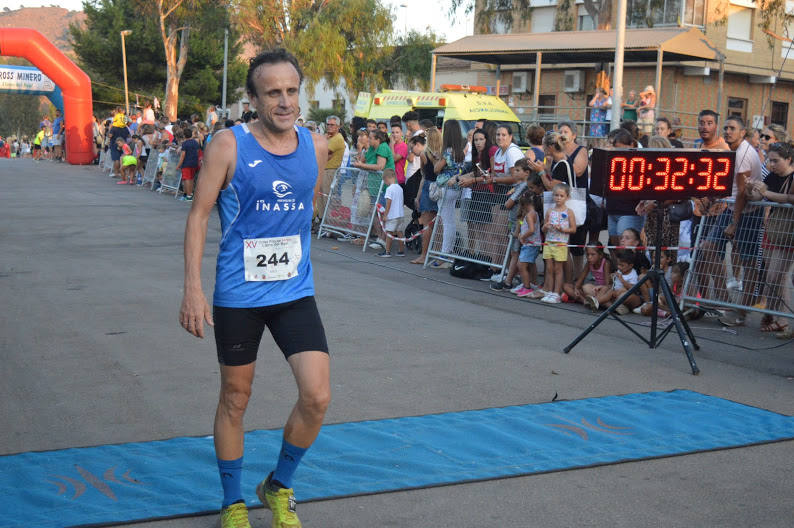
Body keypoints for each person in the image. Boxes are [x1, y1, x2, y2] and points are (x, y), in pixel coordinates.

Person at [179, 49, 330, 528]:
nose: (284, 102)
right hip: (239, 296)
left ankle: (277, 486)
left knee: (317, 396)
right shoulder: (229, 145)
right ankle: (233, 502)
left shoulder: (317, 145)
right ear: (253, 98)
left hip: (294, 293)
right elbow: (199, 214)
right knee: (235, 398)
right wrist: (193, 289)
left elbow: (308, 209)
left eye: (291, 91)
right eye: (273, 93)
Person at [697, 116, 763, 327]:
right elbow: (732, 185)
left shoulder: (743, 153)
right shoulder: (731, 151)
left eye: (732, 128)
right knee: (708, 247)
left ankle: (741, 312)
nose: (727, 131)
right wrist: (713, 197)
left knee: (748, 262)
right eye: (725, 128)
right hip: (732, 205)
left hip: (748, 211)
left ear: (743, 133)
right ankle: (726, 303)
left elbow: (743, 191)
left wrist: (734, 223)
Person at [746, 141, 794, 338]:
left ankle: (781, 317)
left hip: (788, 231)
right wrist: (751, 189)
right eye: (769, 160)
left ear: (789, 159)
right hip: (773, 229)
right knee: (773, 277)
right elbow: (758, 196)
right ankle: (776, 317)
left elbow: (791, 198)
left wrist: (766, 193)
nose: (771, 165)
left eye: (776, 161)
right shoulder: (773, 176)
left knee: (776, 275)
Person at [430, 119, 467, 268]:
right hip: (456, 188)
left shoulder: (447, 151)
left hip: (446, 188)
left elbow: (436, 169)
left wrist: (435, 159)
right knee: (450, 220)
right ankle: (448, 251)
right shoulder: (460, 150)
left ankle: (445, 253)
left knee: (447, 222)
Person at [540, 183, 577, 303]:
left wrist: (562, 229)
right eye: (556, 195)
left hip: (561, 243)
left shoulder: (569, 211)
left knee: (558, 269)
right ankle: (550, 291)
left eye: (561, 195)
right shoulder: (550, 211)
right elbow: (543, 228)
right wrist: (545, 226)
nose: (558, 198)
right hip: (549, 242)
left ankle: (556, 293)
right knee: (549, 268)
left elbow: (573, 229)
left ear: (567, 197)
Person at [410, 127, 442, 264]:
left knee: (427, 224)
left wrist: (417, 197)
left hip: (429, 188)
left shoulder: (424, 154)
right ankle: (438, 253)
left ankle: (424, 255)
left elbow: (424, 176)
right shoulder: (443, 154)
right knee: (440, 223)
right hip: (441, 187)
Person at [512, 190, 543, 297]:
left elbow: (531, 229)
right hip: (530, 244)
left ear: (525, 204)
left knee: (521, 265)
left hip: (530, 244)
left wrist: (522, 236)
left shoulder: (530, 215)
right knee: (524, 265)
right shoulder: (533, 214)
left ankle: (527, 287)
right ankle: (527, 284)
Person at [563, 243, 612, 311]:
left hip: (605, 291)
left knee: (586, 287)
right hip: (595, 291)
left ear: (600, 255)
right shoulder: (589, 263)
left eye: (592, 254)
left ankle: (595, 302)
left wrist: (600, 287)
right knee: (566, 286)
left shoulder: (605, 263)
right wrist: (576, 288)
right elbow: (580, 280)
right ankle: (588, 302)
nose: (589, 257)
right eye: (588, 254)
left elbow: (607, 285)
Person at [316, 115, 345, 224]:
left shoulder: (337, 138)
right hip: (323, 170)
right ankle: (323, 223)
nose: (329, 126)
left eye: (332, 124)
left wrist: (322, 140)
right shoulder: (329, 137)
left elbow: (322, 152)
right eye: (328, 124)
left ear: (338, 126)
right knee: (320, 199)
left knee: (328, 199)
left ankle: (329, 224)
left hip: (330, 171)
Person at [377, 169, 406, 257]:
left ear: (387, 178)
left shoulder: (389, 189)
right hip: (400, 214)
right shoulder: (400, 188)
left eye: (385, 180)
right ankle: (401, 250)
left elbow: (388, 202)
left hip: (392, 215)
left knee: (389, 232)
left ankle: (387, 251)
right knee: (400, 232)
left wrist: (385, 215)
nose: (385, 182)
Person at [177, 128, 201, 201]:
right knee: (191, 179)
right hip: (194, 163)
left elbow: (183, 155)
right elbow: (197, 151)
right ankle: (190, 194)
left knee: (186, 179)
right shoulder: (195, 142)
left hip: (186, 163)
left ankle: (188, 195)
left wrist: (178, 165)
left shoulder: (185, 143)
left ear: (184, 136)